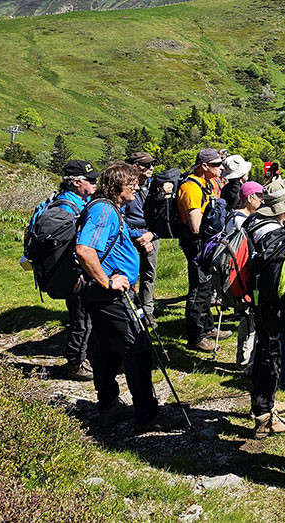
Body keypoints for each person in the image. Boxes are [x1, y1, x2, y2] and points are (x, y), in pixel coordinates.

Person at [74, 162, 178, 431]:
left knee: (106, 351)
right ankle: (147, 416)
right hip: (110, 295)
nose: (137, 186)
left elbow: (119, 235)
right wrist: (107, 281)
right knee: (138, 349)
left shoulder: (111, 210)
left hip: (105, 296)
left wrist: (143, 235)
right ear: (117, 185)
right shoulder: (102, 210)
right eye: (131, 183)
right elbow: (85, 250)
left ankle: (108, 407)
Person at [245, 178, 285, 438]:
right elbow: (278, 282)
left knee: (263, 351)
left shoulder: (253, 222)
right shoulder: (278, 237)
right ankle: (264, 416)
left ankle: (265, 403)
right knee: (269, 355)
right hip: (271, 307)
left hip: (257, 301)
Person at [179, 147, 231, 352]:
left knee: (207, 287)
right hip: (198, 246)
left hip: (206, 245)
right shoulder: (191, 188)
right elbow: (195, 226)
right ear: (205, 166)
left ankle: (207, 327)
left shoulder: (205, 183)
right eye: (217, 164)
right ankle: (196, 336)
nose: (221, 167)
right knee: (199, 290)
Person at [55, 159, 99, 381]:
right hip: (76, 272)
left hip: (79, 271)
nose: (95, 184)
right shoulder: (67, 208)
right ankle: (75, 364)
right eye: (90, 180)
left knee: (85, 317)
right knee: (81, 319)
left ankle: (84, 357)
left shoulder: (76, 201)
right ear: (75, 182)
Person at [228, 180, 264, 370]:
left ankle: (243, 360)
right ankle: (246, 363)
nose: (262, 201)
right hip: (244, 278)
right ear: (250, 198)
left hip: (236, 278)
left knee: (247, 318)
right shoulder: (241, 222)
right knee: (250, 319)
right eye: (259, 197)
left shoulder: (232, 216)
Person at [123, 151, 158, 324]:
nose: (151, 168)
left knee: (149, 273)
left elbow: (162, 215)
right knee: (129, 273)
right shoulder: (124, 186)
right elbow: (120, 216)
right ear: (135, 167)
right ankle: (130, 310)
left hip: (151, 233)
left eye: (152, 164)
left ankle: (147, 310)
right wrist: (138, 236)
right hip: (130, 235)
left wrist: (152, 235)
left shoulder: (155, 185)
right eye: (147, 165)